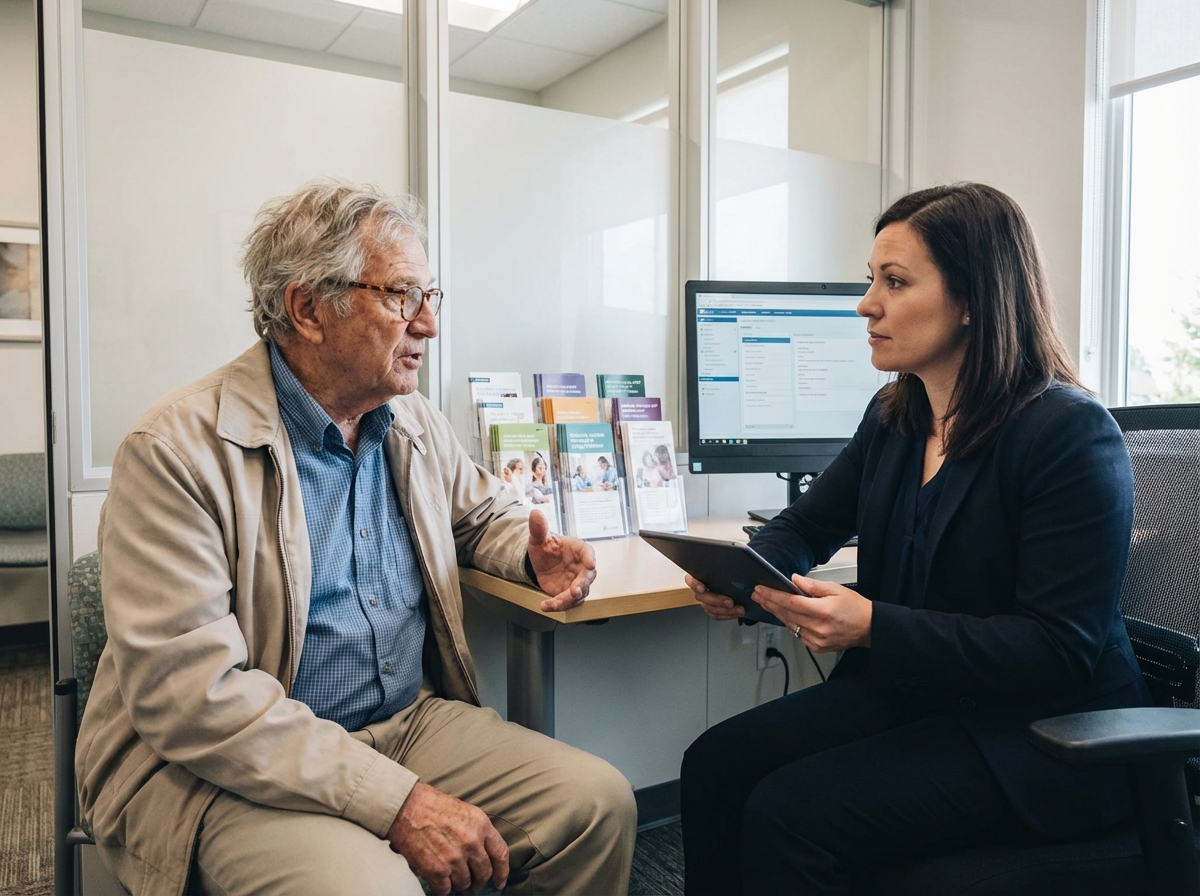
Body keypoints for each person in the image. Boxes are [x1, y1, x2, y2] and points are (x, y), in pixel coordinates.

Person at [76, 180, 637, 896]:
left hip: (404, 723)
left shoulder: (411, 419)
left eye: (431, 296)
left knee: (597, 806)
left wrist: (527, 556)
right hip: (227, 760)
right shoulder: (174, 452)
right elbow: (191, 698)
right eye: (403, 296)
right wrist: (397, 802)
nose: (428, 325)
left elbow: (478, 516)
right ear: (307, 308)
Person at [679, 183, 1147, 894]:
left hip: (1037, 735)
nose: (866, 305)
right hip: (918, 695)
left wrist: (874, 628)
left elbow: (1056, 649)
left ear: (972, 300)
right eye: (872, 280)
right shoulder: (896, 415)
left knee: (792, 814)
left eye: (894, 282)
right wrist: (745, 576)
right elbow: (808, 523)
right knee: (716, 764)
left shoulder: (1069, 435)